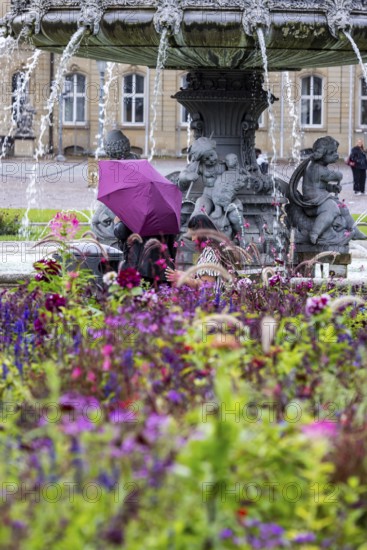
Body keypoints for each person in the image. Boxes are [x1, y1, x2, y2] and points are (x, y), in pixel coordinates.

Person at [165, 214, 242, 291]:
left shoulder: (210, 252)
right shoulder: (215, 249)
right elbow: (204, 277)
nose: (192, 239)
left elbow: (207, 286)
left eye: (193, 234)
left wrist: (184, 279)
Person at [114, 218, 177, 285]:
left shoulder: (133, 211)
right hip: (162, 269)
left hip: (137, 266)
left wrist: (117, 223)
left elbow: (121, 233)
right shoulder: (166, 214)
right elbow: (172, 245)